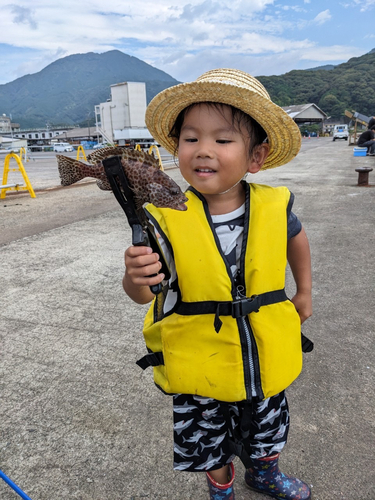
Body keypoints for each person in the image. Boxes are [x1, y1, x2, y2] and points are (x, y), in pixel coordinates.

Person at [123, 69, 313, 500]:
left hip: (262, 357)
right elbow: (142, 293)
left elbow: (295, 238)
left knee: (268, 428)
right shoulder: (163, 218)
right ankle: (221, 486)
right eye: (190, 139)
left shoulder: (273, 205)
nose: (203, 150)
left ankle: (263, 473)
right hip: (201, 362)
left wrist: (304, 290)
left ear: (256, 157)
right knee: (209, 443)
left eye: (222, 140)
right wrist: (134, 276)